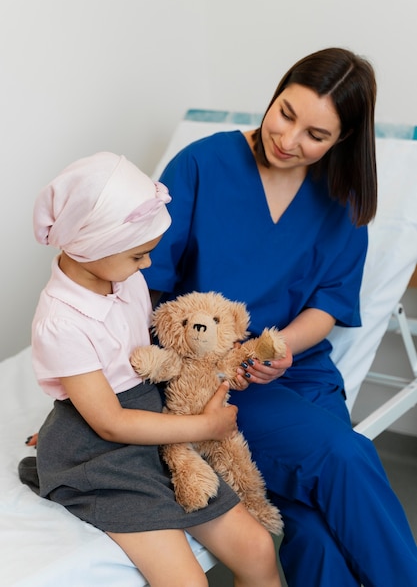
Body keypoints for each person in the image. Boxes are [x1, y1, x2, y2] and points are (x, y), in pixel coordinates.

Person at [143, 48, 417, 587]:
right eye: (286, 113)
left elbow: (329, 304)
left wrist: (282, 346)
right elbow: (147, 288)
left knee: (312, 533)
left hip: (302, 374)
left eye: (316, 134)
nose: (288, 140)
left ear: (342, 140)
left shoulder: (340, 197)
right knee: (344, 457)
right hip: (219, 381)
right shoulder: (202, 166)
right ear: (276, 93)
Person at [19, 152, 282, 587]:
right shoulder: (61, 321)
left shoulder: (124, 278)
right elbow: (109, 422)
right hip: (103, 453)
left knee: (256, 549)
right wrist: (203, 426)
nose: (147, 266)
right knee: (187, 582)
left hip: (152, 424)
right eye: (139, 255)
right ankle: (57, 447)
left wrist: (214, 370)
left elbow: (148, 359)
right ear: (92, 246)